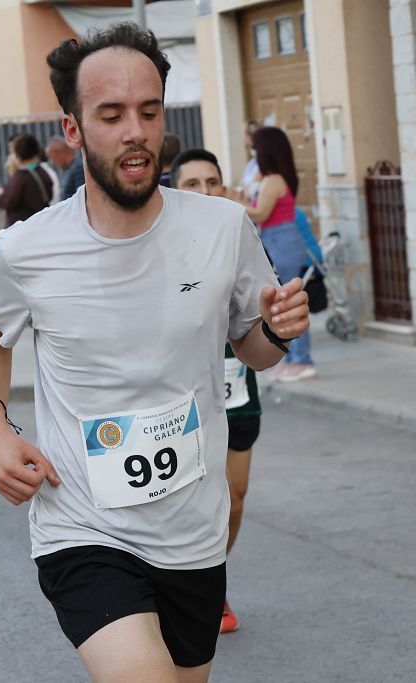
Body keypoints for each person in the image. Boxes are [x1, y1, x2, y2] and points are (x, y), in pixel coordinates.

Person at [0, 23, 309, 683]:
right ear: (73, 129)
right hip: (83, 526)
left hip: (191, 533)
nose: (135, 130)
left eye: (149, 112)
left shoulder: (222, 228)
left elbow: (254, 350)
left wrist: (279, 329)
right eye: (112, 114)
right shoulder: (29, 248)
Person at [170, 148, 261, 635]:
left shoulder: (237, 236)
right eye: (192, 184)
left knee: (237, 498)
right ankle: (194, 583)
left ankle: (211, 576)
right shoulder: (160, 245)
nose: (205, 193)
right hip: (186, 396)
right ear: (174, 190)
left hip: (238, 387)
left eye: (213, 182)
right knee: (191, 497)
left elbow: (259, 311)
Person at [247, 126, 315, 382]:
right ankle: (291, 358)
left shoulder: (274, 180)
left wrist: (230, 203)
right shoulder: (272, 178)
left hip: (282, 241)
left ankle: (303, 360)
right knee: (283, 303)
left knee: (288, 302)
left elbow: (261, 213)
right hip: (279, 239)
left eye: (256, 149)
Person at [0, 133, 54, 227]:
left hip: (24, 228)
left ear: (17, 155)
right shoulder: (42, 171)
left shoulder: (21, 176)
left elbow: (9, 200)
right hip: (42, 223)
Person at [45, 135, 86, 201]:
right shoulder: (71, 168)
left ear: (59, 153)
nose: (52, 162)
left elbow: (82, 197)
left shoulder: (78, 168)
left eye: (51, 157)